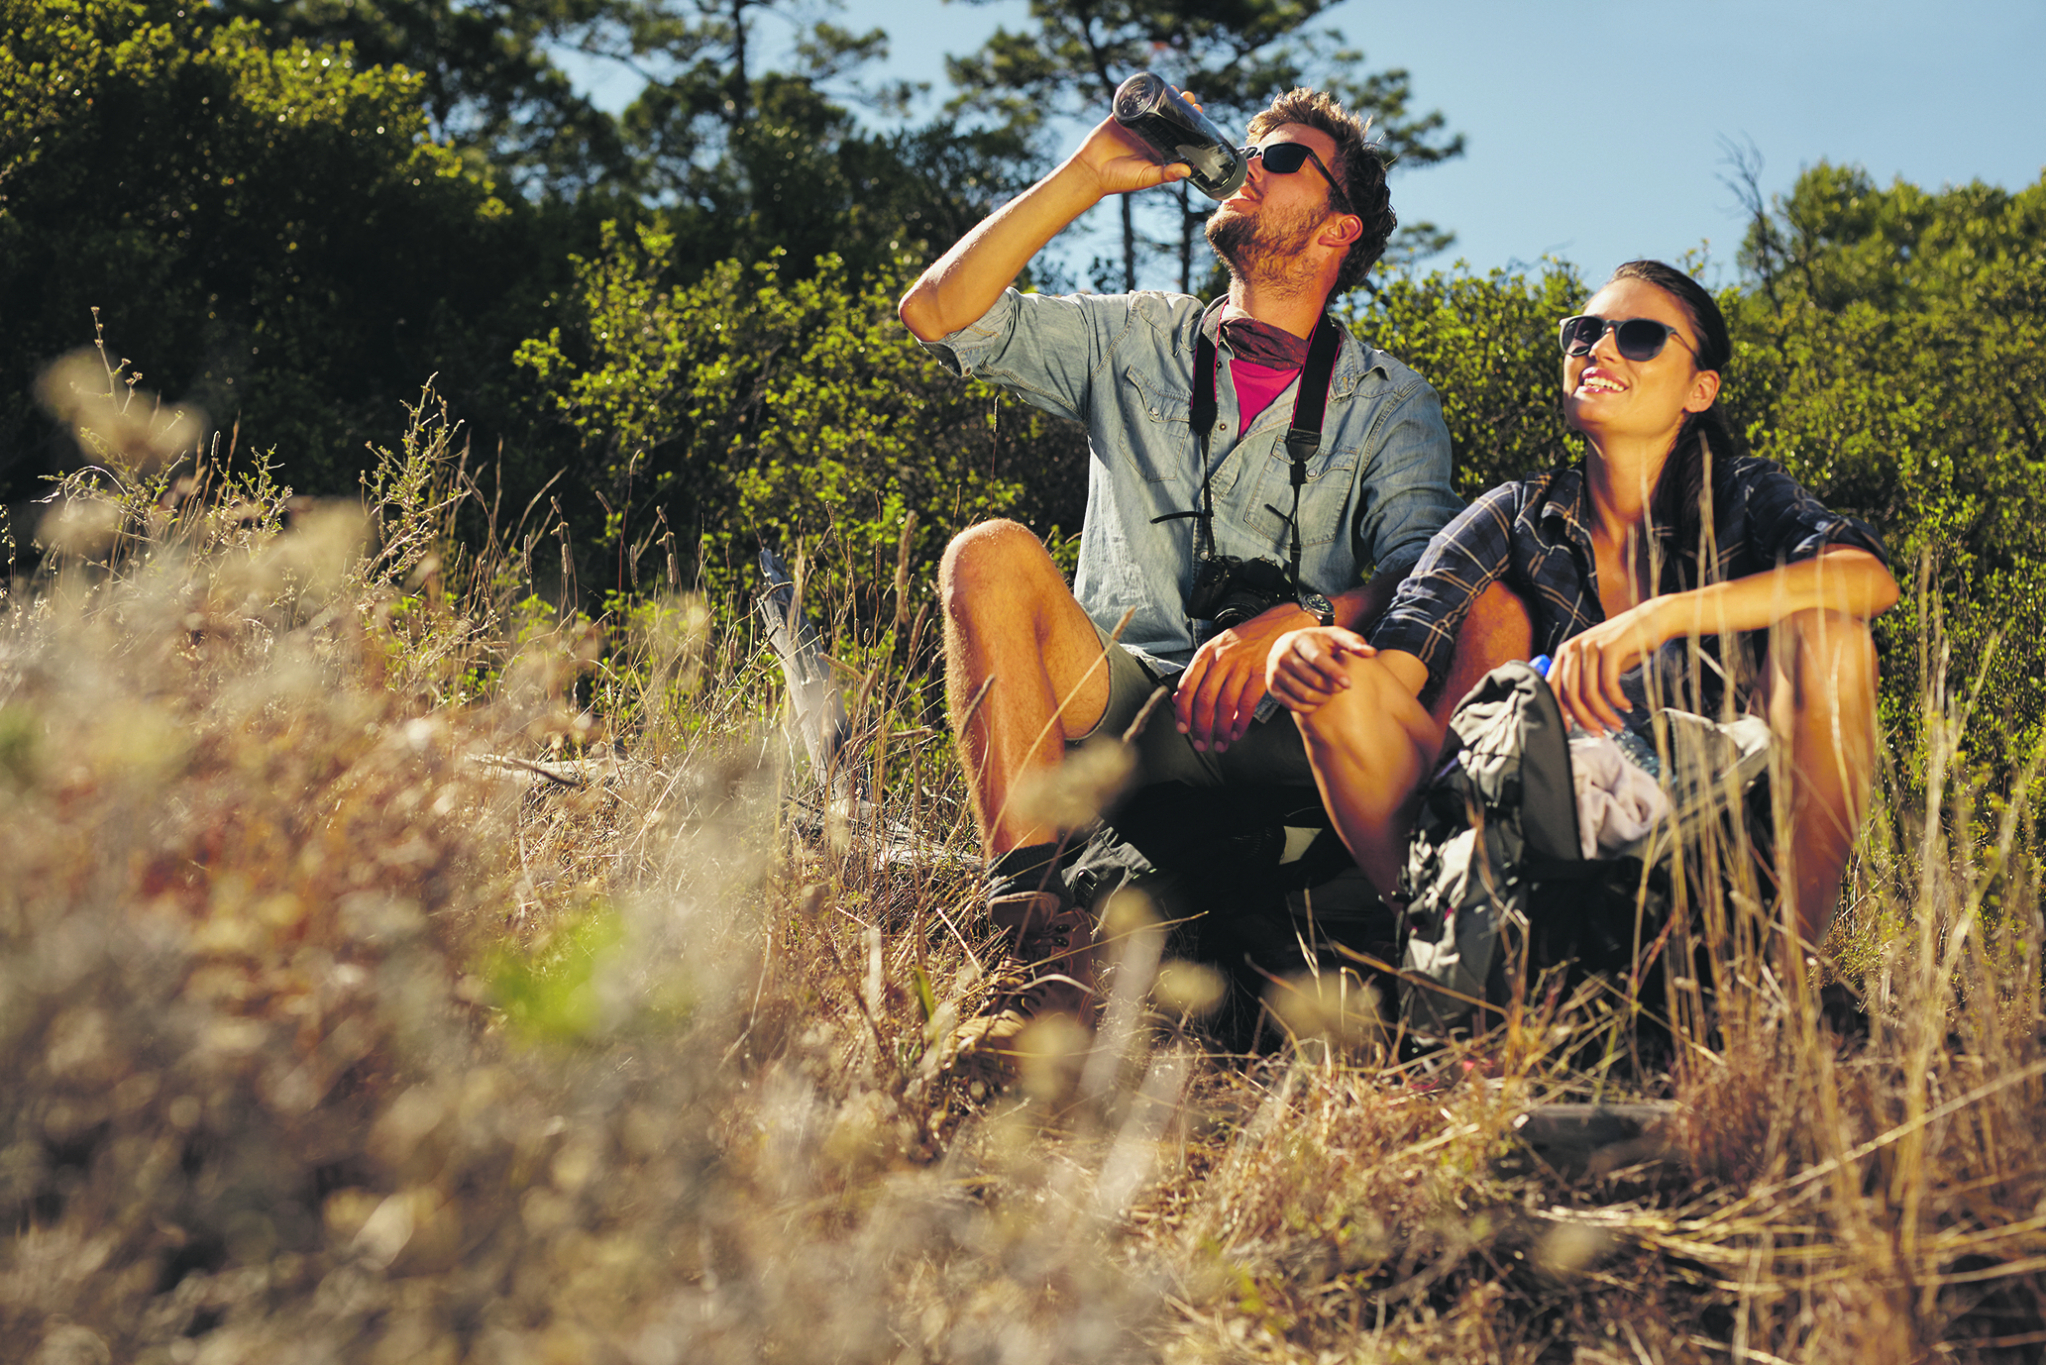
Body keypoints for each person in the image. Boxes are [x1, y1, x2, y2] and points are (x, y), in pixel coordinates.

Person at [897, 88, 1519, 1066]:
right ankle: (1026, 949)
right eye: (1249, 149)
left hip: (1270, 712)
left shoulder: (1389, 399)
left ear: (1337, 229)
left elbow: (1423, 571)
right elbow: (938, 312)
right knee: (990, 554)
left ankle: (1450, 965)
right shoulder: (1138, 335)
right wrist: (1086, 175)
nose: (1245, 165)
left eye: (1280, 161)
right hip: (1117, 696)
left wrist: (1292, 622)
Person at [1267, 259, 1899, 948]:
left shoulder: (1745, 494)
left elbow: (1867, 578)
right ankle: (1462, 971)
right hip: (1538, 843)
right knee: (1336, 686)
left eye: (1640, 337)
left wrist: (1660, 615)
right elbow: (1393, 674)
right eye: (1585, 332)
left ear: (1700, 389)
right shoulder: (1516, 513)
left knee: (1830, 637)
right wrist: (1309, 654)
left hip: (1711, 845)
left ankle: (1778, 985)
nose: (1598, 348)